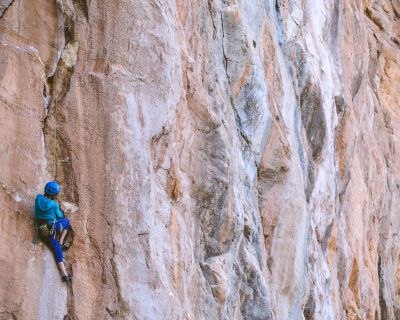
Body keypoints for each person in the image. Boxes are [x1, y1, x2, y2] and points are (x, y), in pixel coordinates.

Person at [34, 181, 73, 282]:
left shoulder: (38, 198)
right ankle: (61, 242)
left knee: (55, 248)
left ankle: (64, 275)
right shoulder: (53, 204)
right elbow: (60, 215)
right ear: (53, 194)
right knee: (67, 221)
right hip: (52, 228)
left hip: (42, 230)